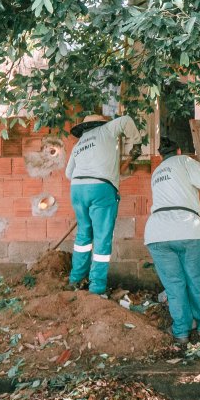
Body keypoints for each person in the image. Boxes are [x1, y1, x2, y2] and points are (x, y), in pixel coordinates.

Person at [144, 137, 200, 344]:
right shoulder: (184, 161)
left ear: (161, 155)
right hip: (187, 229)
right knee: (195, 279)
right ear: (178, 150)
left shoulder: (157, 172)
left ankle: (181, 332)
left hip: (157, 233)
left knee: (174, 285)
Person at [65, 112, 141, 294]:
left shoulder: (79, 144)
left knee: (83, 236)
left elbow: (68, 174)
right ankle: (96, 287)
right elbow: (126, 121)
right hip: (101, 189)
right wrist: (136, 143)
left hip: (77, 190)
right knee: (102, 238)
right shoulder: (106, 129)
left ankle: (75, 279)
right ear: (100, 123)